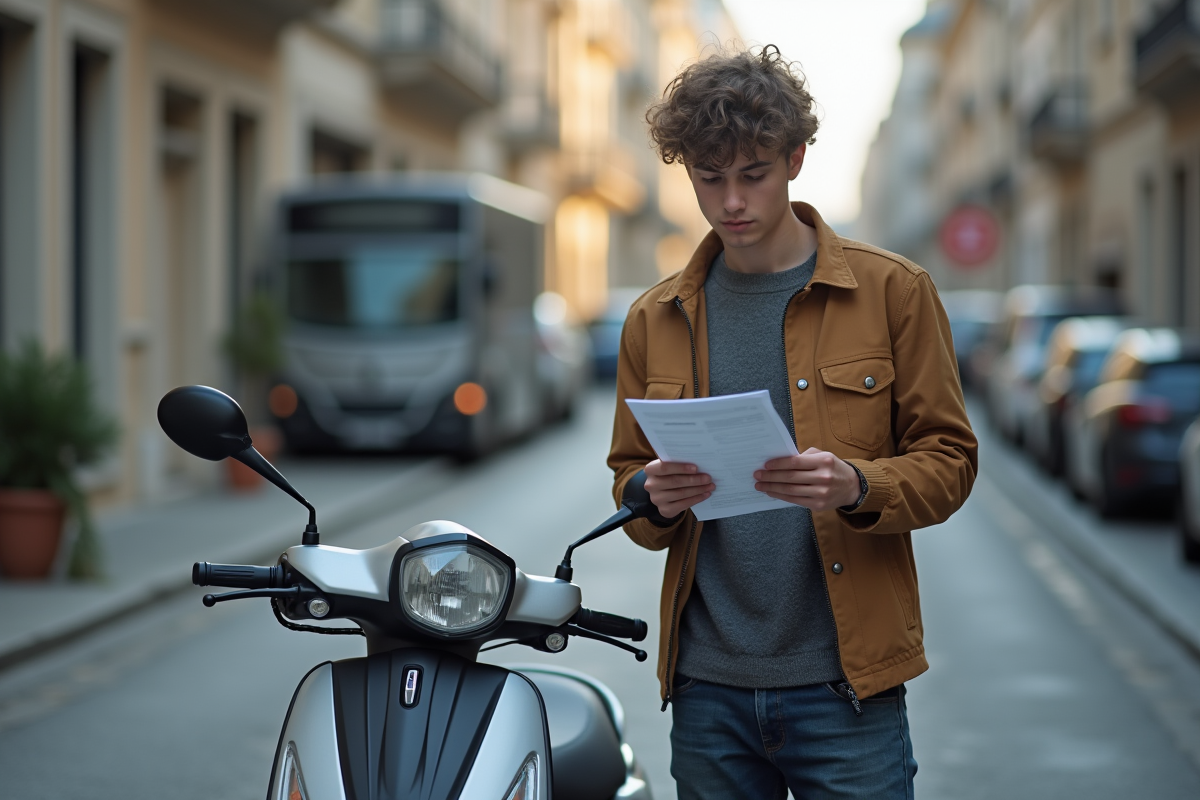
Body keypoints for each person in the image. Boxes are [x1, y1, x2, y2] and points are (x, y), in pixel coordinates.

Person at [607, 45, 978, 799]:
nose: (732, 202)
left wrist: (857, 483)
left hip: (846, 686)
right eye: (710, 179)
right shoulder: (655, 317)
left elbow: (950, 461)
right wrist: (652, 494)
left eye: (753, 175)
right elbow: (631, 492)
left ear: (796, 158)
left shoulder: (893, 291)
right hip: (708, 688)